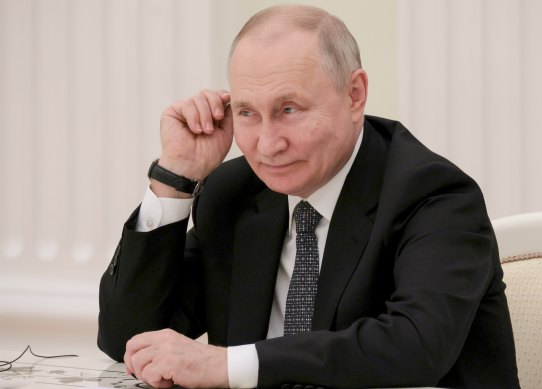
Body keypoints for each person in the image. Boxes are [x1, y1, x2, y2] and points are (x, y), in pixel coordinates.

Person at [98, 4, 520, 388]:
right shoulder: (235, 192)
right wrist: (175, 178)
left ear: (355, 94)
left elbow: (416, 345)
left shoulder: (433, 194)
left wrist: (225, 365)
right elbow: (129, 339)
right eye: (247, 113)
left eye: (289, 110)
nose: (266, 145)